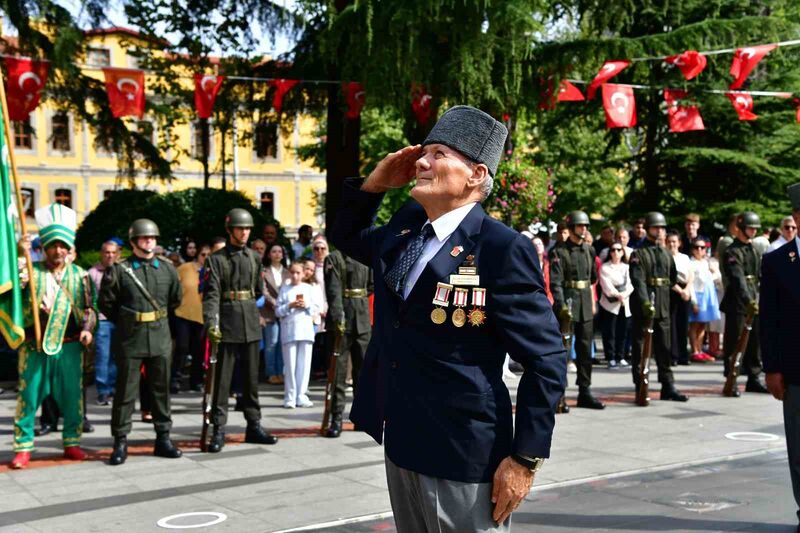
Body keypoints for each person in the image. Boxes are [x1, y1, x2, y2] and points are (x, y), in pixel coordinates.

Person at [331, 105, 566, 531]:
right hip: (402, 438)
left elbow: (546, 360)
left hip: (464, 450)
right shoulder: (407, 229)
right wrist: (374, 185)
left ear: (476, 174)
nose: (421, 161)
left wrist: (525, 459)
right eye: (424, 152)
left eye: (438, 153)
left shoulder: (500, 247)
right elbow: (346, 236)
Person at [10, 204, 96, 470]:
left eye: (63, 246)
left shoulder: (80, 275)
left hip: (69, 347)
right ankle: (23, 447)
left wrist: (87, 329)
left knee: (72, 397)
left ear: (68, 248)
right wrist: (18, 251)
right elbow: (9, 287)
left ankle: (71, 442)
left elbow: (90, 308)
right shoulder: (30, 271)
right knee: (29, 397)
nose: (58, 251)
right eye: (53, 245)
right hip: (35, 346)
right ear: (44, 247)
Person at [99, 219, 183, 465]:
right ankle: (120, 441)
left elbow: (175, 300)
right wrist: (127, 321)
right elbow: (107, 303)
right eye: (145, 238)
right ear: (134, 241)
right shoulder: (119, 270)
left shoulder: (167, 269)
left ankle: (163, 438)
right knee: (125, 392)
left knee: (160, 391)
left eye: (153, 238)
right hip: (131, 338)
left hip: (159, 336)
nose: (149, 241)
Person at [203, 208, 278, 453]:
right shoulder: (216, 259)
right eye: (240, 229)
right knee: (222, 382)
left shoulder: (254, 258)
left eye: (247, 229)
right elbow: (212, 295)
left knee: (251, 381)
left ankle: (253, 425)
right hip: (226, 323)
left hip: (249, 322)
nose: (244, 233)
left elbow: (257, 290)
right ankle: (218, 429)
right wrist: (211, 322)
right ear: (230, 230)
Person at [760, 182, 800, 533]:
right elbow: (768, 320)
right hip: (795, 369)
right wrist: (771, 369)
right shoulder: (776, 261)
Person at [629, 212, 689, 402]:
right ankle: (640, 384)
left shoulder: (665, 253)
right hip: (643, 307)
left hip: (663, 305)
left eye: (662, 228)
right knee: (640, 348)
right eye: (656, 228)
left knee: (664, 346)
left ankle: (668, 385)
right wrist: (646, 302)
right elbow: (638, 281)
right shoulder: (638, 253)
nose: (660, 231)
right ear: (648, 229)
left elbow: (672, 278)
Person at [549, 210, 604, 409]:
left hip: (585, 306)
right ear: (572, 227)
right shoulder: (559, 252)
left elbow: (592, 278)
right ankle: (560, 394)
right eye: (581, 226)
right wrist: (562, 307)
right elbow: (556, 283)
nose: (585, 229)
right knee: (563, 353)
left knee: (585, 351)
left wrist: (591, 303)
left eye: (586, 226)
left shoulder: (589, 251)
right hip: (567, 306)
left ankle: (585, 391)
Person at [322, 249, 373, 438]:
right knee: (339, 373)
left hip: (361, 316)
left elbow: (371, 284)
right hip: (342, 318)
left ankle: (362, 417)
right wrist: (337, 319)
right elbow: (333, 291)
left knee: (363, 372)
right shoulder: (334, 258)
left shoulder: (365, 254)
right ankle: (336, 418)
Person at [720, 211, 768, 394]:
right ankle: (731, 379)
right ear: (741, 228)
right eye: (750, 228)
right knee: (735, 342)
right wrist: (748, 300)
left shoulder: (753, 250)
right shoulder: (732, 251)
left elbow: (759, 275)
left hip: (753, 300)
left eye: (755, 229)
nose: (754, 232)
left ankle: (754, 378)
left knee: (755, 342)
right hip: (738, 303)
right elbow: (738, 279)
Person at [275, 261, 319, 408]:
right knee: (290, 365)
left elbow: (315, 309)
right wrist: (290, 305)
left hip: (305, 330)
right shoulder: (285, 289)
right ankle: (290, 396)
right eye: (292, 272)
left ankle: (301, 395)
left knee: (304, 365)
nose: (295, 276)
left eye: (298, 273)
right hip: (289, 331)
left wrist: (305, 305)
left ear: (303, 274)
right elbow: (277, 311)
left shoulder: (308, 288)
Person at [172, 243, 210, 393]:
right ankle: (175, 380)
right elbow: (173, 286)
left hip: (202, 317)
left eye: (209, 255)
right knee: (181, 348)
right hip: (183, 314)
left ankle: (197, 381)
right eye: (203, 255)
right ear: (197, 255)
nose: (205, 258)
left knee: (199, 351)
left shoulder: (211, 272)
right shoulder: (185, 268)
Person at [88, 239, 120, 405]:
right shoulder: (93, 273)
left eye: (113, 252)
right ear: (102, 254)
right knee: (103, 356)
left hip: (120, 320)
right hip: (102, 321)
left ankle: (113, 388)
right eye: (107, 252)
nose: (110, 255)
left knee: (116, 356)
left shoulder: (122, 271)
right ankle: (103, 390)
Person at [598, 243, 632, 369]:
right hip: (610, 303)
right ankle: (611, 357)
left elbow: (630, 284)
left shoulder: (627, 267)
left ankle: (621, 356)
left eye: (619, 250)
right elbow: (606, 284)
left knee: (623, 331)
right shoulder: (605, 267)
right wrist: (618, 295)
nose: (616, 252)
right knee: (610, 331)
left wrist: (624, 295)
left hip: (625, 303)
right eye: (613, 250)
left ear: (622, 252)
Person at [260, 243, 289, 384]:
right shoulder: (264, 271)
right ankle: (271, 373)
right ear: (269, 254)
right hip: (270, 312)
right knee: (271, 343)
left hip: (285, 312)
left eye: (279, 251)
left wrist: (283, 305)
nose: (277, 254)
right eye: (274, 251)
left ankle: (281, 372)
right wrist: (276, 303)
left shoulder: (288, 272)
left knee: (282, 344)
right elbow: (264, 291)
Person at [688, 237, 720, 363]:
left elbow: (716, 276)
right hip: (697, 294)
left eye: (702, 247)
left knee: (702, 325)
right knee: (694, 325)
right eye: (697, 247)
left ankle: (700, 349)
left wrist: (713, 271)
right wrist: (694, 301)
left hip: (707, 295)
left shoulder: (706, 262)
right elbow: (690, 283)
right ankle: (694, 350)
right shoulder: (690, 263)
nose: (699, 250)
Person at [667, 231, 693, 366]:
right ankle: (674, 355)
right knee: (672, 324)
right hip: (672, 290)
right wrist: (679, 290)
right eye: (670, 241)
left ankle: (684, 355)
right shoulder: (666, 257)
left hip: (685, 291)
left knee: (683, 325)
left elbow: (691, 274)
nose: (672, 244)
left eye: (674, 241)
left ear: (679, 243)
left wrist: (687, 289)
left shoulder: (684, 257)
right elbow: (668, 278)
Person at [532, 236, 553, 304]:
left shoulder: (549, 264)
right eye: (535, 245)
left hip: (550, 300)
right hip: (535, 301)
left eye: (540, 244)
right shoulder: (528, 265)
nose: (538, 246)